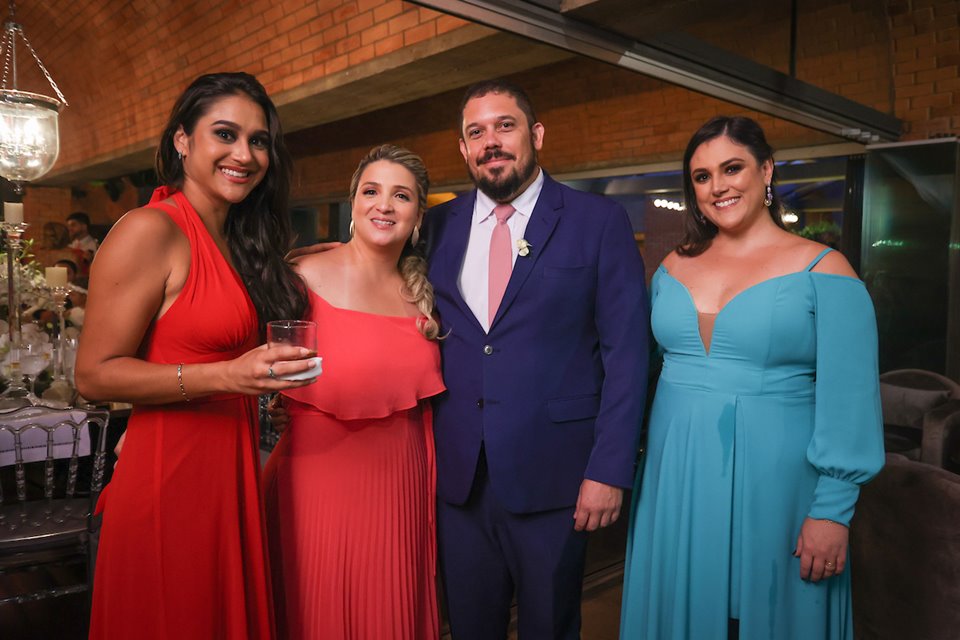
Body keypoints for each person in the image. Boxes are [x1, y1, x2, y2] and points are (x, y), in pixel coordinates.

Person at [619, 116, 885, 639]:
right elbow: (631, 364)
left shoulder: (825, 271)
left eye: (732, 168)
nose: (717, 186)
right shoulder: (671, 267)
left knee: (773, 613)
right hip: (676, 478)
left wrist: (832, 512)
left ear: (767, 170)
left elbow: (851, 401)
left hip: (780, 485)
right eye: (701, 176)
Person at [76, 72, 317, 640]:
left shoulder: (235, 240)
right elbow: (93, 374)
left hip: (227, 475)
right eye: (225, 134)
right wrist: (230, 376)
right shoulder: (149, 230)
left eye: (258, 141)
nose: (245, 154)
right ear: (182, 140)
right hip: (171, 482)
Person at [425, 80, 649, 639]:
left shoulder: (597, 222)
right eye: (476, 132)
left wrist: (608, 469)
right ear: (463, 148)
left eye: (505, 125)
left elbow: (627, 354)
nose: (491, 142)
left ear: (536, 134)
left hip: (558, 479)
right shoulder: (436, 227)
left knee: (549, 627)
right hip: (458, 480)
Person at [262, 144, 444, 639]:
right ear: (353, 203)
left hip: (400, 481)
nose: (384, 205)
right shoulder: (298, 277)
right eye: (372, 191)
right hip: (316, 479)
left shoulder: (427, 293)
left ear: (417, 215)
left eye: (400, 195)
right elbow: (240, 361)